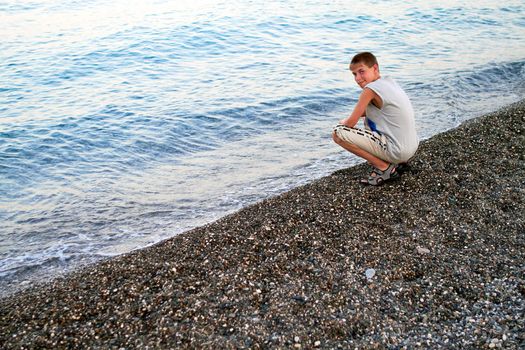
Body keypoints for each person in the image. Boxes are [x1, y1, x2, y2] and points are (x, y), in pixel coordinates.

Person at [332, 52, 418, 186]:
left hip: (398, 151)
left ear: (375, 68)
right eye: (354, 74)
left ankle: (384, 168)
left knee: (338, 133)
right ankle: (398, 163)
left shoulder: (370, 89)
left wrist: (343, 123)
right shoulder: (389, 82)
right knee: (370, 117)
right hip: (411, 147)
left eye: (361, 72)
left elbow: (351, 123)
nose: (358, 78)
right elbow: (376, 111)